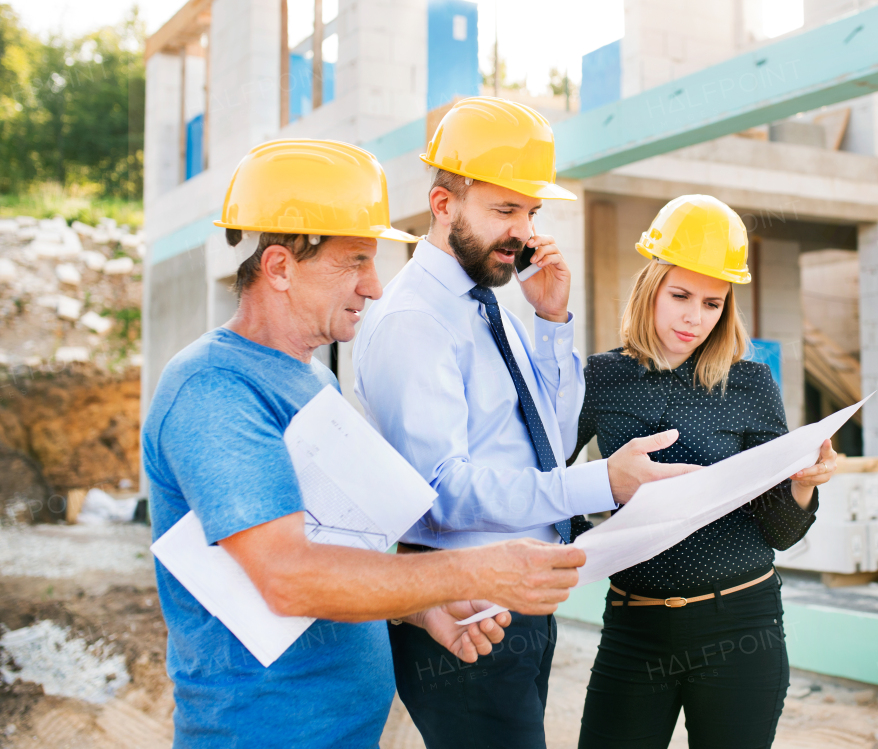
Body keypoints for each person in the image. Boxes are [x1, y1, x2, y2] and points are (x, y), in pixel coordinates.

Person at [143, 139, 586, 749]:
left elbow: (338, 544)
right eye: (354, 262)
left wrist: (423, 607)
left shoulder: (312, 378)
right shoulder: (214, 389)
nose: (375, 287)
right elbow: (290, 577)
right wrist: (477, 568)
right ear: (279, 267)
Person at [352, 98, 696, 749]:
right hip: (463, 608)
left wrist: (551, 320)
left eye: (531, 212)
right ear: (444, 204)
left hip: (517, 601)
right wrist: (601, 484)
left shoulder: (493, 304)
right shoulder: (415, 321)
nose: (522, 230)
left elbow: (552, 438)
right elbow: (442, 491)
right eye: (504, 210)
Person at [572, 194, 838, 749]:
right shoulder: (599, 379)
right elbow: (549, 482)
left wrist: (801, 488)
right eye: (681, 296)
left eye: (713, 303)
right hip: (634, 626)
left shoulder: (750, 384)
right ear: (651, 287)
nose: (696, 317)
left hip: (740, 626)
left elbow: (781, 534)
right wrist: (588, 546)